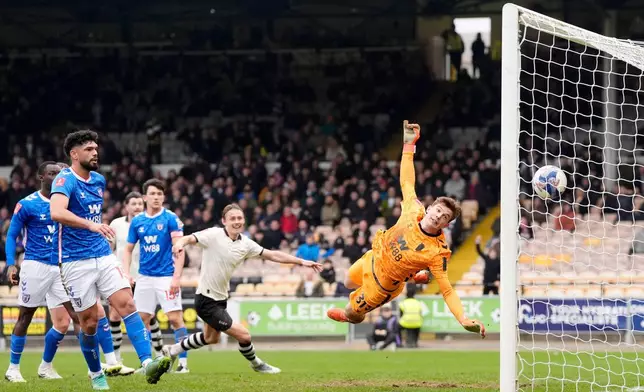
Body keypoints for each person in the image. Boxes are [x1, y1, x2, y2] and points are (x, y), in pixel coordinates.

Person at [326, 121, 486, 340]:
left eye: (444, 217)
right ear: (430, 208)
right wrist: (409, 146)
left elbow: (447, 290)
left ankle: (350, 314)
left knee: (353, 313)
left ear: (445, 224)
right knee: (347, 282)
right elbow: (406, 181)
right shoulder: (414, 209)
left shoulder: (437, 253)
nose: (438, 216)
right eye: (438, 210)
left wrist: (463, 319)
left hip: (383, 286)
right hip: (374, 257)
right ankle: (412, 274)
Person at [49, 130, 171, 390]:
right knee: (89, 322)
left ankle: (147, 362)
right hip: (74, 261)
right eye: (89, 149)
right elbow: (57, 212)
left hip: (102, 255)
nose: (95, 153)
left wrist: (98, 231)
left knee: (126, 303)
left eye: (96, 148)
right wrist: (92, 226)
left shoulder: (99, 180)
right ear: (74, 154)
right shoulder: (64, 179)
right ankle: (96, 374)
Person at [162, 203, 323, 374]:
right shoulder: (213, 235)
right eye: (232, 218)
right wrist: (179, 243)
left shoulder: (246, 244)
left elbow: (272, 254)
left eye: (240, 218)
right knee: (244, 335)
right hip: (206, 299)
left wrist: (300, 261)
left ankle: (172, 350)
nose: (237, 221)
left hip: (220, 298)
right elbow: (188, 238)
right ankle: (257, 364)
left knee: (211, 338)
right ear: (224, 221)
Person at [4, 162, 121, 382]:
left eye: (60, 173)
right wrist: (11, 263)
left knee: (79, 316)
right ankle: (13, 368)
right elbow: (12, 235)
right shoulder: (27, 204)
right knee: (25, 316)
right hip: (36, 265)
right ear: (41, 177)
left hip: (64, 266)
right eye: (51, 173)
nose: (57, 176)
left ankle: (89, 367)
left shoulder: (69, 203)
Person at [123, 179, 189, 373]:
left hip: (166, 277)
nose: (157, 197)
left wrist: (176, 277)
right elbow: (127, 250)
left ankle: (183, 364)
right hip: (144, 278)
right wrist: (127, 274)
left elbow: (180, 248)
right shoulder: (137, 222)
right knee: (141, 319)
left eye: (160, 194)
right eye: (153, 194)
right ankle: (147, 362)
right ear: (145, 197)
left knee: (175, 319)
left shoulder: (170, 218)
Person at [109, 191, 158, 369]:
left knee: (148, 316)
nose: (137, 206)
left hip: (144, 275)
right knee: (114, 315)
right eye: (134, 204)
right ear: (126, 206)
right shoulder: (116, 224)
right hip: (120, 275)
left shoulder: (150, 222)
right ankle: (115, 357)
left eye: (139, 203)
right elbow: (110, 248)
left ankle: (156, 355)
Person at [398, 284, 423, 348]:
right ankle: (415, 342)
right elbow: (420, 314)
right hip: (417, 323)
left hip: (406, 322)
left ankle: (399, 342)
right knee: (418, 327)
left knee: (397, 328)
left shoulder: (403, 303)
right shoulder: (418, 302)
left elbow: (401, 315)